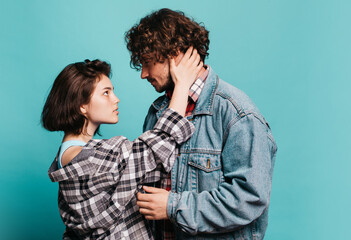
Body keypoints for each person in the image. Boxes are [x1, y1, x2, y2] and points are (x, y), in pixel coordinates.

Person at [125, 8, 277, 240]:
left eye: (147, 62)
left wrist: (172, 205)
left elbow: (249, 197)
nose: (143, 74)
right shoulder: (157, 113)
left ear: (175, 55)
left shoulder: (237, 114)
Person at [42, 49, 203, 239]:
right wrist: (182, 84)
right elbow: (156, 146)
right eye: (106, 93)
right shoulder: (87, 157)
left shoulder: (67, 155)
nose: (115, 99)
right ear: (82, 105)